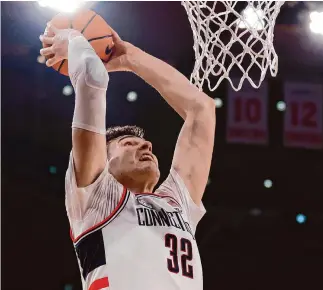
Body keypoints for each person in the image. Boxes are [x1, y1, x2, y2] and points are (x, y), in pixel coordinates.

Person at [39, 22, 215, 290]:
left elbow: (202, 108)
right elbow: (92, 78)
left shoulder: (176, 203)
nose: (147, 147)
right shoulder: (95, 196)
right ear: (104, 160)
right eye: (130, 143)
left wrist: (131, 57)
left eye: (146, 144)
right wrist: (73, 38)